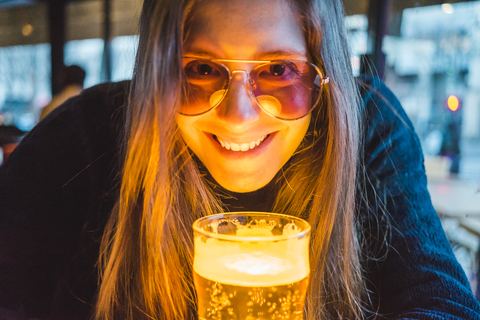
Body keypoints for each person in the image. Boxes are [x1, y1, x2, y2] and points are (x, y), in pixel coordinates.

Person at [0, 0, 479, 319]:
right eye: (201, 69)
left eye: (278, 70)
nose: (236, 115)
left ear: (324, 70)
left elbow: (440, 300)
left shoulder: (367, 123)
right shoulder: (79, 140)